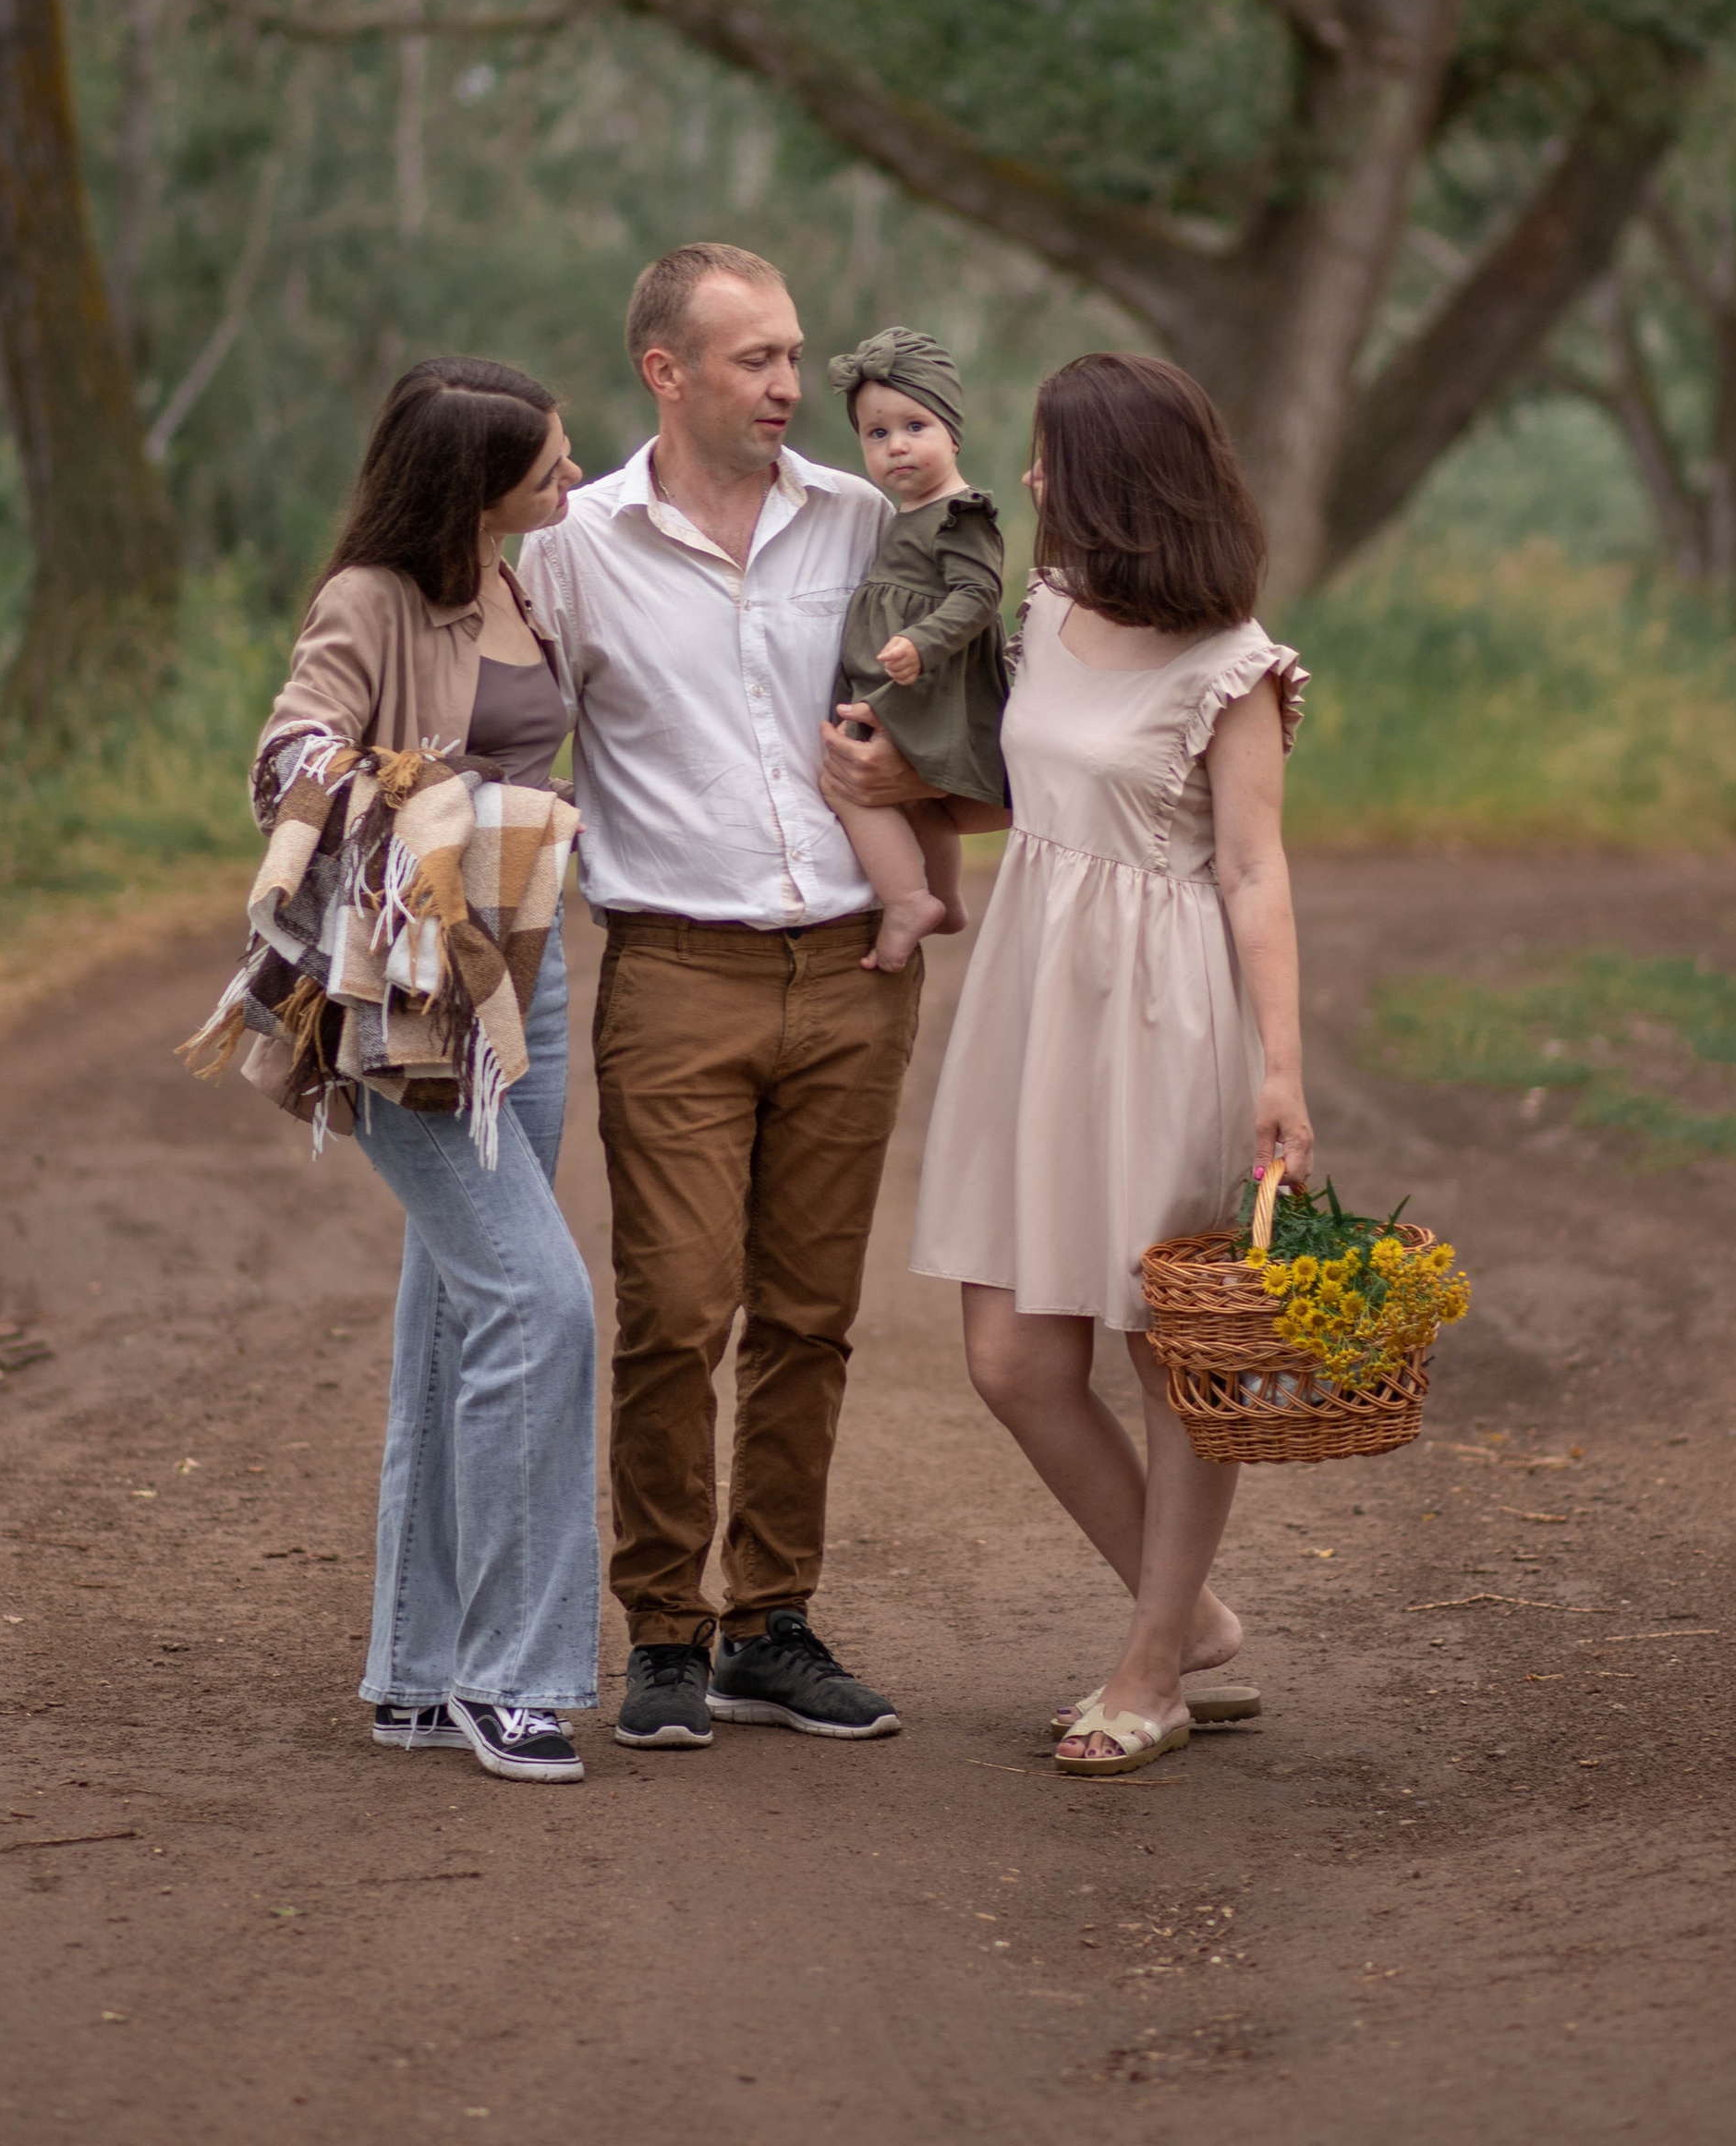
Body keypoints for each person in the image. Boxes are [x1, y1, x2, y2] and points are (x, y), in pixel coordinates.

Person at [520, 244, 970, 1754]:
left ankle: (769, 1625)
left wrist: (914, 788)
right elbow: (507, 727)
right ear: (667, 371)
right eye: (758, 361)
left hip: (856, 968)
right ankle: (661, 1629)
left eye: (795, 357)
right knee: (675, 1312)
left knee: (810, 1315)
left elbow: (961, 697)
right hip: (674, 972)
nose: (795, 385)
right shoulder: (572, 546)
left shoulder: (861, 522)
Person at [898, 352, 1312, 1779]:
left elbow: (1255, 872)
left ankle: (1150, 1666)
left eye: (1048, 460)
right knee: (1012, 1355)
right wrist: (888, 791)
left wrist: (1283, 1076)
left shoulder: (1234, 666)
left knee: (1169, 1352)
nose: (1026, 481)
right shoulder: (1051, 608)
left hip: (1166, 1015)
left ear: (1118, 482)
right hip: (1032, 1005)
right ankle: (1188, 1612)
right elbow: (1030, 795)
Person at [256, 358, 601, 1787]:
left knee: (464, 1315)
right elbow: (289, 750)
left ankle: (413, 1665)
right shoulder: (372, 602)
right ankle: (509, 1678)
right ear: (474, 485)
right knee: (542, 1303)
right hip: (409, 1000)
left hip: (533, 982)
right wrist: (404, 792)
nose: (575, 478)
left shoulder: (532, 580)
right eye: (552, 463)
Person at [822, 328, 1009, 970]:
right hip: (902, 678)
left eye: (915, 426)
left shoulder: (963, 513)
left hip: (917, 683)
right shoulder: (905, 514)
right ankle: (947, 899)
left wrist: (921, 644)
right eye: (877, 435)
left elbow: (978, 594)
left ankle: (908, 899)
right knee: (915, 794)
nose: (896, 445)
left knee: (847, 783)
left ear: (953, 433)